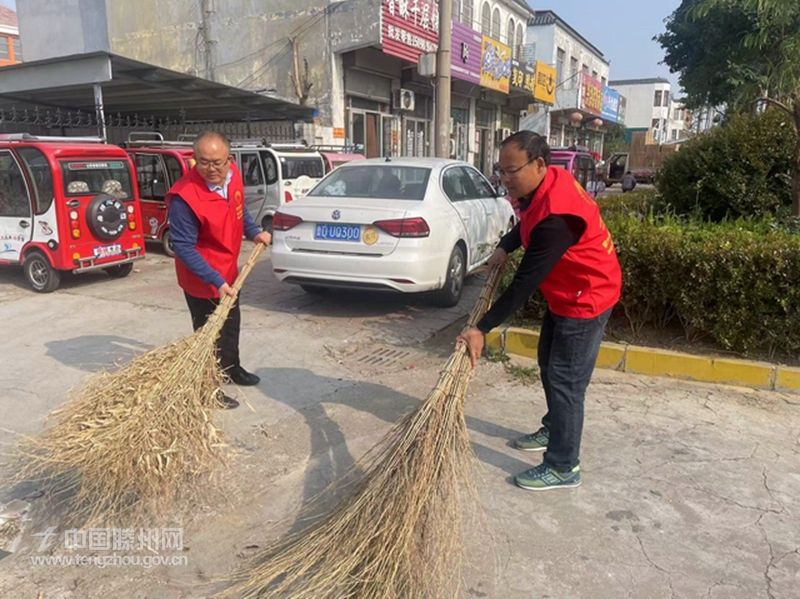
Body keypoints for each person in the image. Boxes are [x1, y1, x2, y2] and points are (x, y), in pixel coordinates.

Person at [458, 131, 622, 491]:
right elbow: (526, 221)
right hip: (567, 293)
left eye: (511, 170)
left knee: (566, 381)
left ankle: (564, 466)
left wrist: (480, 328)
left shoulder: (558, 217)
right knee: (548, 363)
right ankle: (554, 427)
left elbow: (523, 284)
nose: (505, 178)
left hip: (587, 297)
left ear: (539, 165)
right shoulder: (542, 187)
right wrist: (505, 245)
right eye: (500, 171)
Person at [166, 131, 272, 410]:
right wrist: (215, 280)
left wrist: (254, 232)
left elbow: (240, 209)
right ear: (193, 161)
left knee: (231, 323)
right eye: (204, 163)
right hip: (201, 277)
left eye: (218, 162)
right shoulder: (184, 198)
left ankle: (231, 368)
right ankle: (208, 388)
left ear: (229, 159)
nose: (212, 169)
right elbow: (184, 247)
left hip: (229, 270)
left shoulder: (233, 175)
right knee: (208, 334)